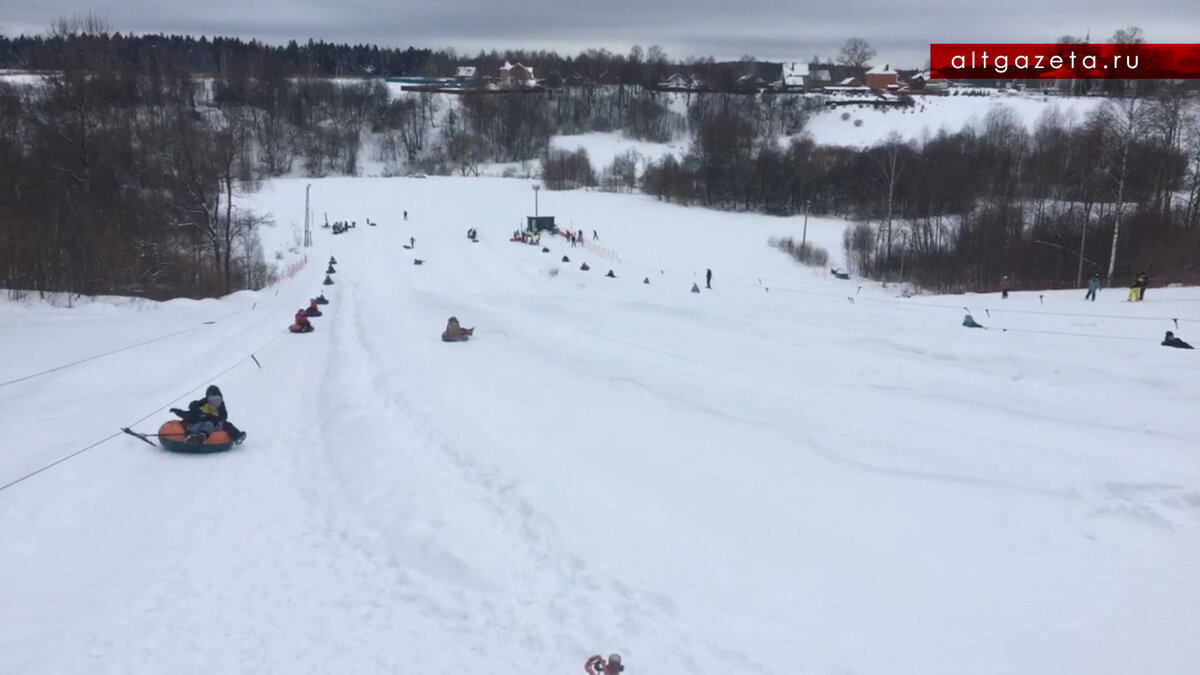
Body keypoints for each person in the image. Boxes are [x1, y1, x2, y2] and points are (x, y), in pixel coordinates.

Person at [170, 385, 246, 445]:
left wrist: (220, 421)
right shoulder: (203, 405)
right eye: (212, 401)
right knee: (199, 422)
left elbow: (224, 415)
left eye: (217, 401)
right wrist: (179, 411)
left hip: (212, 422)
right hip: (201, 420)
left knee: (213, 424)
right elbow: (191, 410)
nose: (214, 404)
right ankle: (192, 436)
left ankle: (199, 437)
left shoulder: (220, 408)